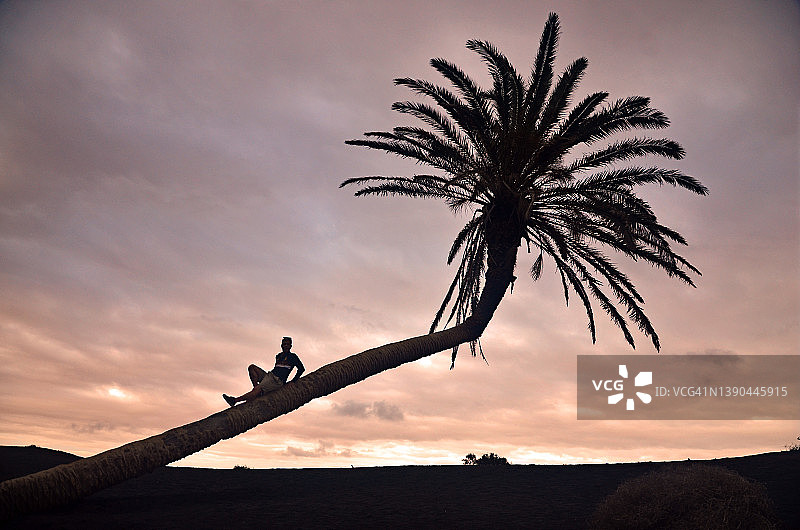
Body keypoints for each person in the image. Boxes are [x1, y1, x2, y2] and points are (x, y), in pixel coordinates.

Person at [222, 337, 305, 407]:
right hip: (269, 375)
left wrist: (293, 381)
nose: (286, 346)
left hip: (277, 381)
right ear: (281, 345)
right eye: (284, 344)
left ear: (290, 346)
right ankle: (256, 391)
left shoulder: (293, 357)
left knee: (258, 389)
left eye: (287, 344)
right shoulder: (278, 356)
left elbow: (301, 369)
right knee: (252, 367)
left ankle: (235, 400)